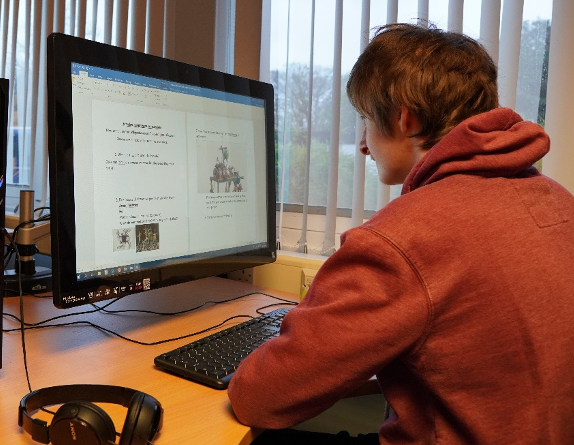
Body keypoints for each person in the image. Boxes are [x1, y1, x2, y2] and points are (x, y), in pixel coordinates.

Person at [227, 23, 574, 444]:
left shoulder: (403, 238)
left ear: (403, 118)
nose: (363, 145)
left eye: (365, 120)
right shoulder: (557, 201)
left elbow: (259, 397)